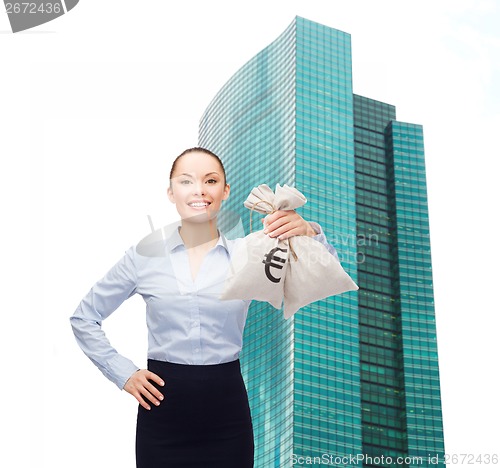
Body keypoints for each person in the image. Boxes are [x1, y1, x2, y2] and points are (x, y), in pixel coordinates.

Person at [70, 147, 338, 467]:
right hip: (162, 411)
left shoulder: (249, 255)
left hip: (227, 414)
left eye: (210, 181)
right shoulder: (143, 257)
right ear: (171, 192)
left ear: (225, 191)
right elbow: (84, 317)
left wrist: (310, 233)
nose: (199, 190)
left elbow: (325, 275)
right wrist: (124, 374)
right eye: (187, 181)